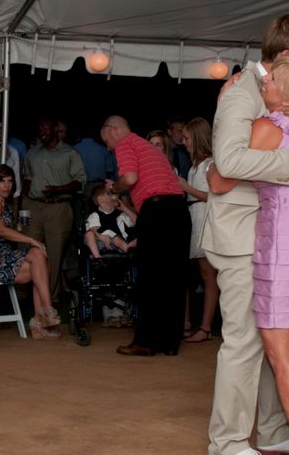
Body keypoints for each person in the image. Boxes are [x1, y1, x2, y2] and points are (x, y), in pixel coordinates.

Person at [200, 12, 289, 455]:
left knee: (279, 337)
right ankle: (228, 443)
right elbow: (228, 163)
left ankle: (275, 429)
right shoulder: (242, 92)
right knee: (246, 341)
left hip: (275, 235)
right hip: (241, 233)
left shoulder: (285, 91)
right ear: (285, 56)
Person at [100, 116, 190, 356]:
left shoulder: (126, 143)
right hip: (179, 211)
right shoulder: (148, 148)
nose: (108, 148)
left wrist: (114, 188)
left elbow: (129, 178)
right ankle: (169, 343)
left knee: (150, 278)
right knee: (173, 278)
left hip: (158, 210)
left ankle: (145, 341)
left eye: (106, 141)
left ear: (114, 130)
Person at [0, 164, 61, 339]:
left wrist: (19, 228)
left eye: (10, 181)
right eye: (2, 182)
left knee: (40, 262)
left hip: (6, 254)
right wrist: (31, 239)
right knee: (39, 259)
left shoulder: (7, 204)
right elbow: (1, 231)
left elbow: (8, 232)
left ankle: (41, 318)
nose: (7, 186)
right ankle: (45, 314)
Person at [21, 117, 87, 302]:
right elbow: (27, 178)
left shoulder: (70, 153)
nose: (42, 131)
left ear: (56, 129)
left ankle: (51, 297)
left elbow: (79, 181)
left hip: (58, 207)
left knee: (55, 253)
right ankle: (25, 295)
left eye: (46, 128)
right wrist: (23, 205)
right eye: (40, 128)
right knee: (27, 248)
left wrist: (58, 189)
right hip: (33, 206)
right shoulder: (32, 153)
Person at [179, 117, 220, 344]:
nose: (183, 142)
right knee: (202, 274)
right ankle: (199, 324)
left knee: (208, 275)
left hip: (205, 216)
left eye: (186, 138)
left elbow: (213, 196)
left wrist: (185, 187)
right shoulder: (195, 165)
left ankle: (205, 327)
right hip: (195, 216)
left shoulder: (209, 164)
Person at [83, 182, 136, 258]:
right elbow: (91, 229)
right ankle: (98, 258)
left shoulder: (120, 213)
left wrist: (125, 209)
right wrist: (100, 236)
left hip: (119, 243)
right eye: (109, 194)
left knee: (116, 239)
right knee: (89, 234)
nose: (115, 196)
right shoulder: (95, 215)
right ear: (101, 200)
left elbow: (138, 223)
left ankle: (131, 253)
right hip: (100, 242)